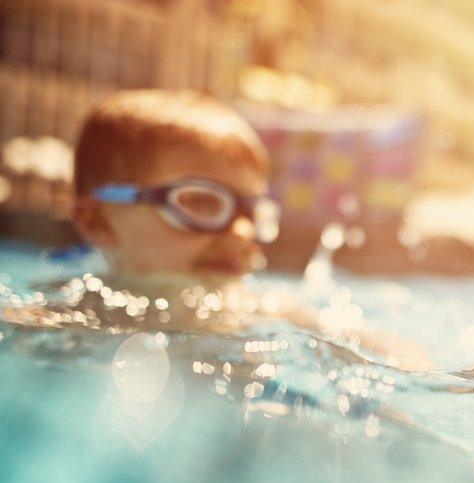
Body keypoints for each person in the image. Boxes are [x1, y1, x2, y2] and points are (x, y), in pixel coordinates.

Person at [3, 89, 429, 368]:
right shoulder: (72, 308)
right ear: (99, 223)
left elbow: (390, 353)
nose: (241, 233)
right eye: (203, 202)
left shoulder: (263, 309)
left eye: (252, 212)